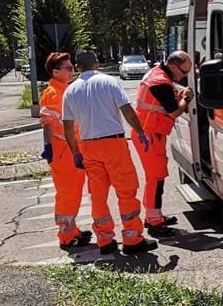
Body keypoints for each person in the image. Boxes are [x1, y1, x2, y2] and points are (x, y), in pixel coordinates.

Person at [62, 51, 158, 255]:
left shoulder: (70, 91)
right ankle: (132, 239)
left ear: (78, 68)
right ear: (96, 63)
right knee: (126, 192)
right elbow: (127, 110)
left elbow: (68, 128)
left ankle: (105, 240)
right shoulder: (109, 82)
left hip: (88, 146)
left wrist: (75, 153)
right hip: (113, 144)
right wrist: (140, 132)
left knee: (98, 196)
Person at [132, 51, 194, 237]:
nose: (184, 76)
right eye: (184, 72)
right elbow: (174, 112)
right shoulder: (160, 82)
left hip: (149, 133)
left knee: (156, 177)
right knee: (155, 178)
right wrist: (186, 98)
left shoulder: (157, 73)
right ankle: (155, 222)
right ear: (174, 67)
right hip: (150, 135)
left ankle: (153, 216)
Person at [38, 52, 92, 250]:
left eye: (72, 67)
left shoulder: (63, 89)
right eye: (68, 68)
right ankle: (66, 236)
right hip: (62, 151)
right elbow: (47, 123)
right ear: (55, 71)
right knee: (68, 193)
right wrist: (48, 147)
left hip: (70, 149)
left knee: (74, 191)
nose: (72, 71)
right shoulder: (53, 93)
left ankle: (72, 230)